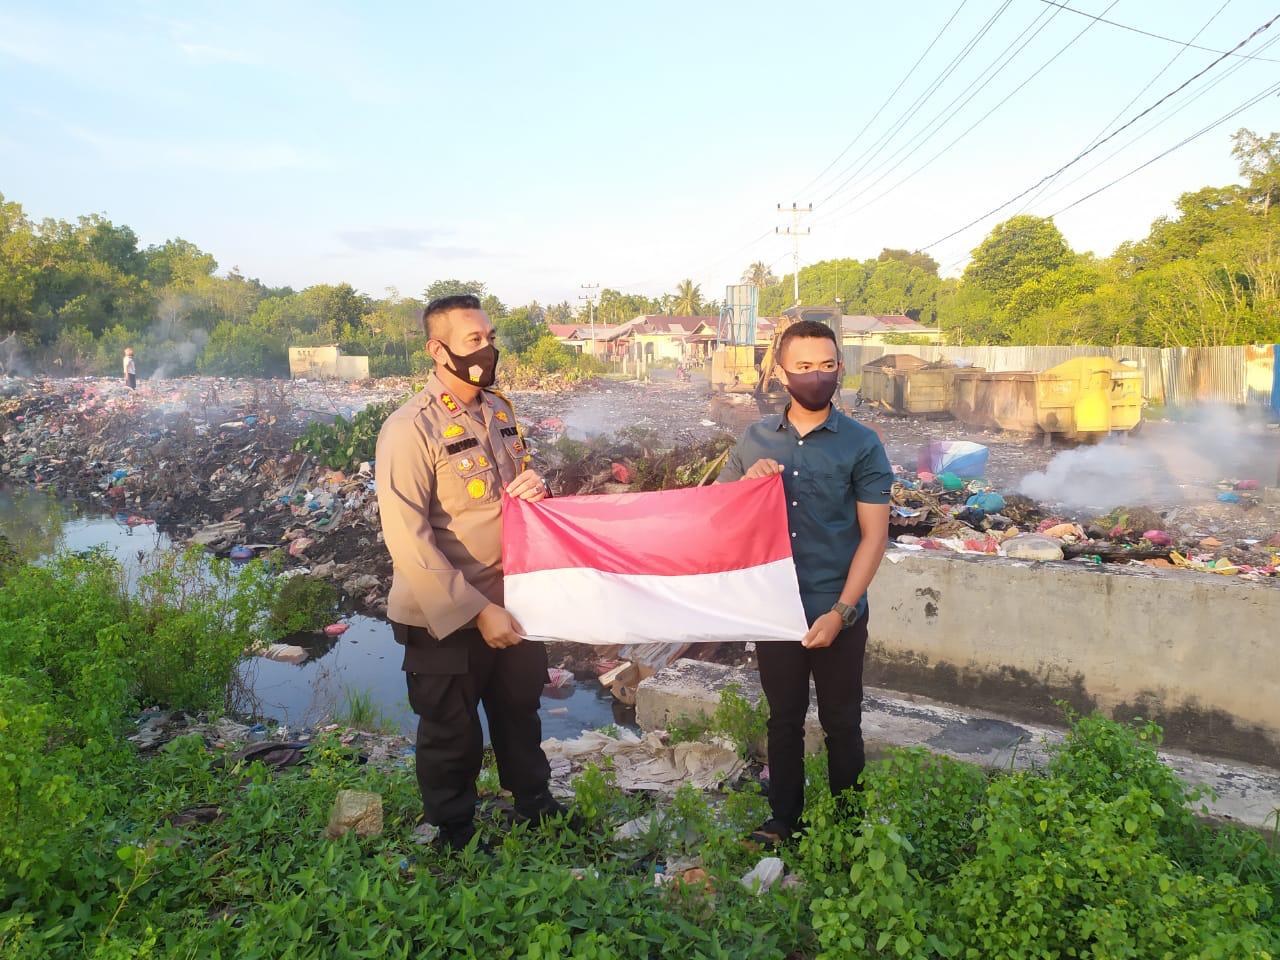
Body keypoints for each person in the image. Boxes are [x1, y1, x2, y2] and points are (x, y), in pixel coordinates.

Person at [375, 294, 565, 851]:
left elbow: (512, 493)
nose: (488, 349)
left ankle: (536, 809)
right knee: (450, 730)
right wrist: (479, 612)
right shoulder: (410, 429)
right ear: (438, 351)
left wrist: (539, 490)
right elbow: (408, 539)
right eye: (473, 341)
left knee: (519, 714)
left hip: (514, 596)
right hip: (446, 611)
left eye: (489, 337)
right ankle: (454, 832)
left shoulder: (500, 411)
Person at [717, 319, 892, 846]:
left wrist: (840, 611)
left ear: (840, 367)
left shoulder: (861, 444)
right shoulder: (755, 439)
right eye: (804, 367)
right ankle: (784, 822)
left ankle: (848, 830)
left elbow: (873, 538)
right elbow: (718, 515)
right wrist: (747, 485)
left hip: (837, 606)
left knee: (842, 722)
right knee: (783, 719)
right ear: (782, 372)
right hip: (776, 609)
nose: (817, 377)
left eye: (827, 365)